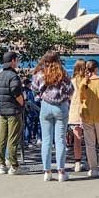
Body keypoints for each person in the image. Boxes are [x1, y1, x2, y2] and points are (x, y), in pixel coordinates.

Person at [32, 51, 74, 182]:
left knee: (46, 140)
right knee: (60, 140)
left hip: (45, 106)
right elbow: (71, 90)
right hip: (61, 107)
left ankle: (47, 171)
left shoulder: (41, 74)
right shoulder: (63, 74)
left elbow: (34, 88)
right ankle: (61, 171)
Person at [0, 50, 26, 174]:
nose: (17, 62)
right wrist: (22, 103)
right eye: (16, 60)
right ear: (13, 61)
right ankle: (14, 165)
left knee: (2, 138)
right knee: (13, 138)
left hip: (2, 110)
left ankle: (1, 164)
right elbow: (16, 91)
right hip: (13, 110)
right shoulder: (13, 76)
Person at [68, 59, 87, 172]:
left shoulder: (72, 81)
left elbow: (69, 97)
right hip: (87, 111)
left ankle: (77, 163)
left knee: (77, 139)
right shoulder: (87, 81)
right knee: (90, 139)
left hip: (75, 111)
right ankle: (91, 161)